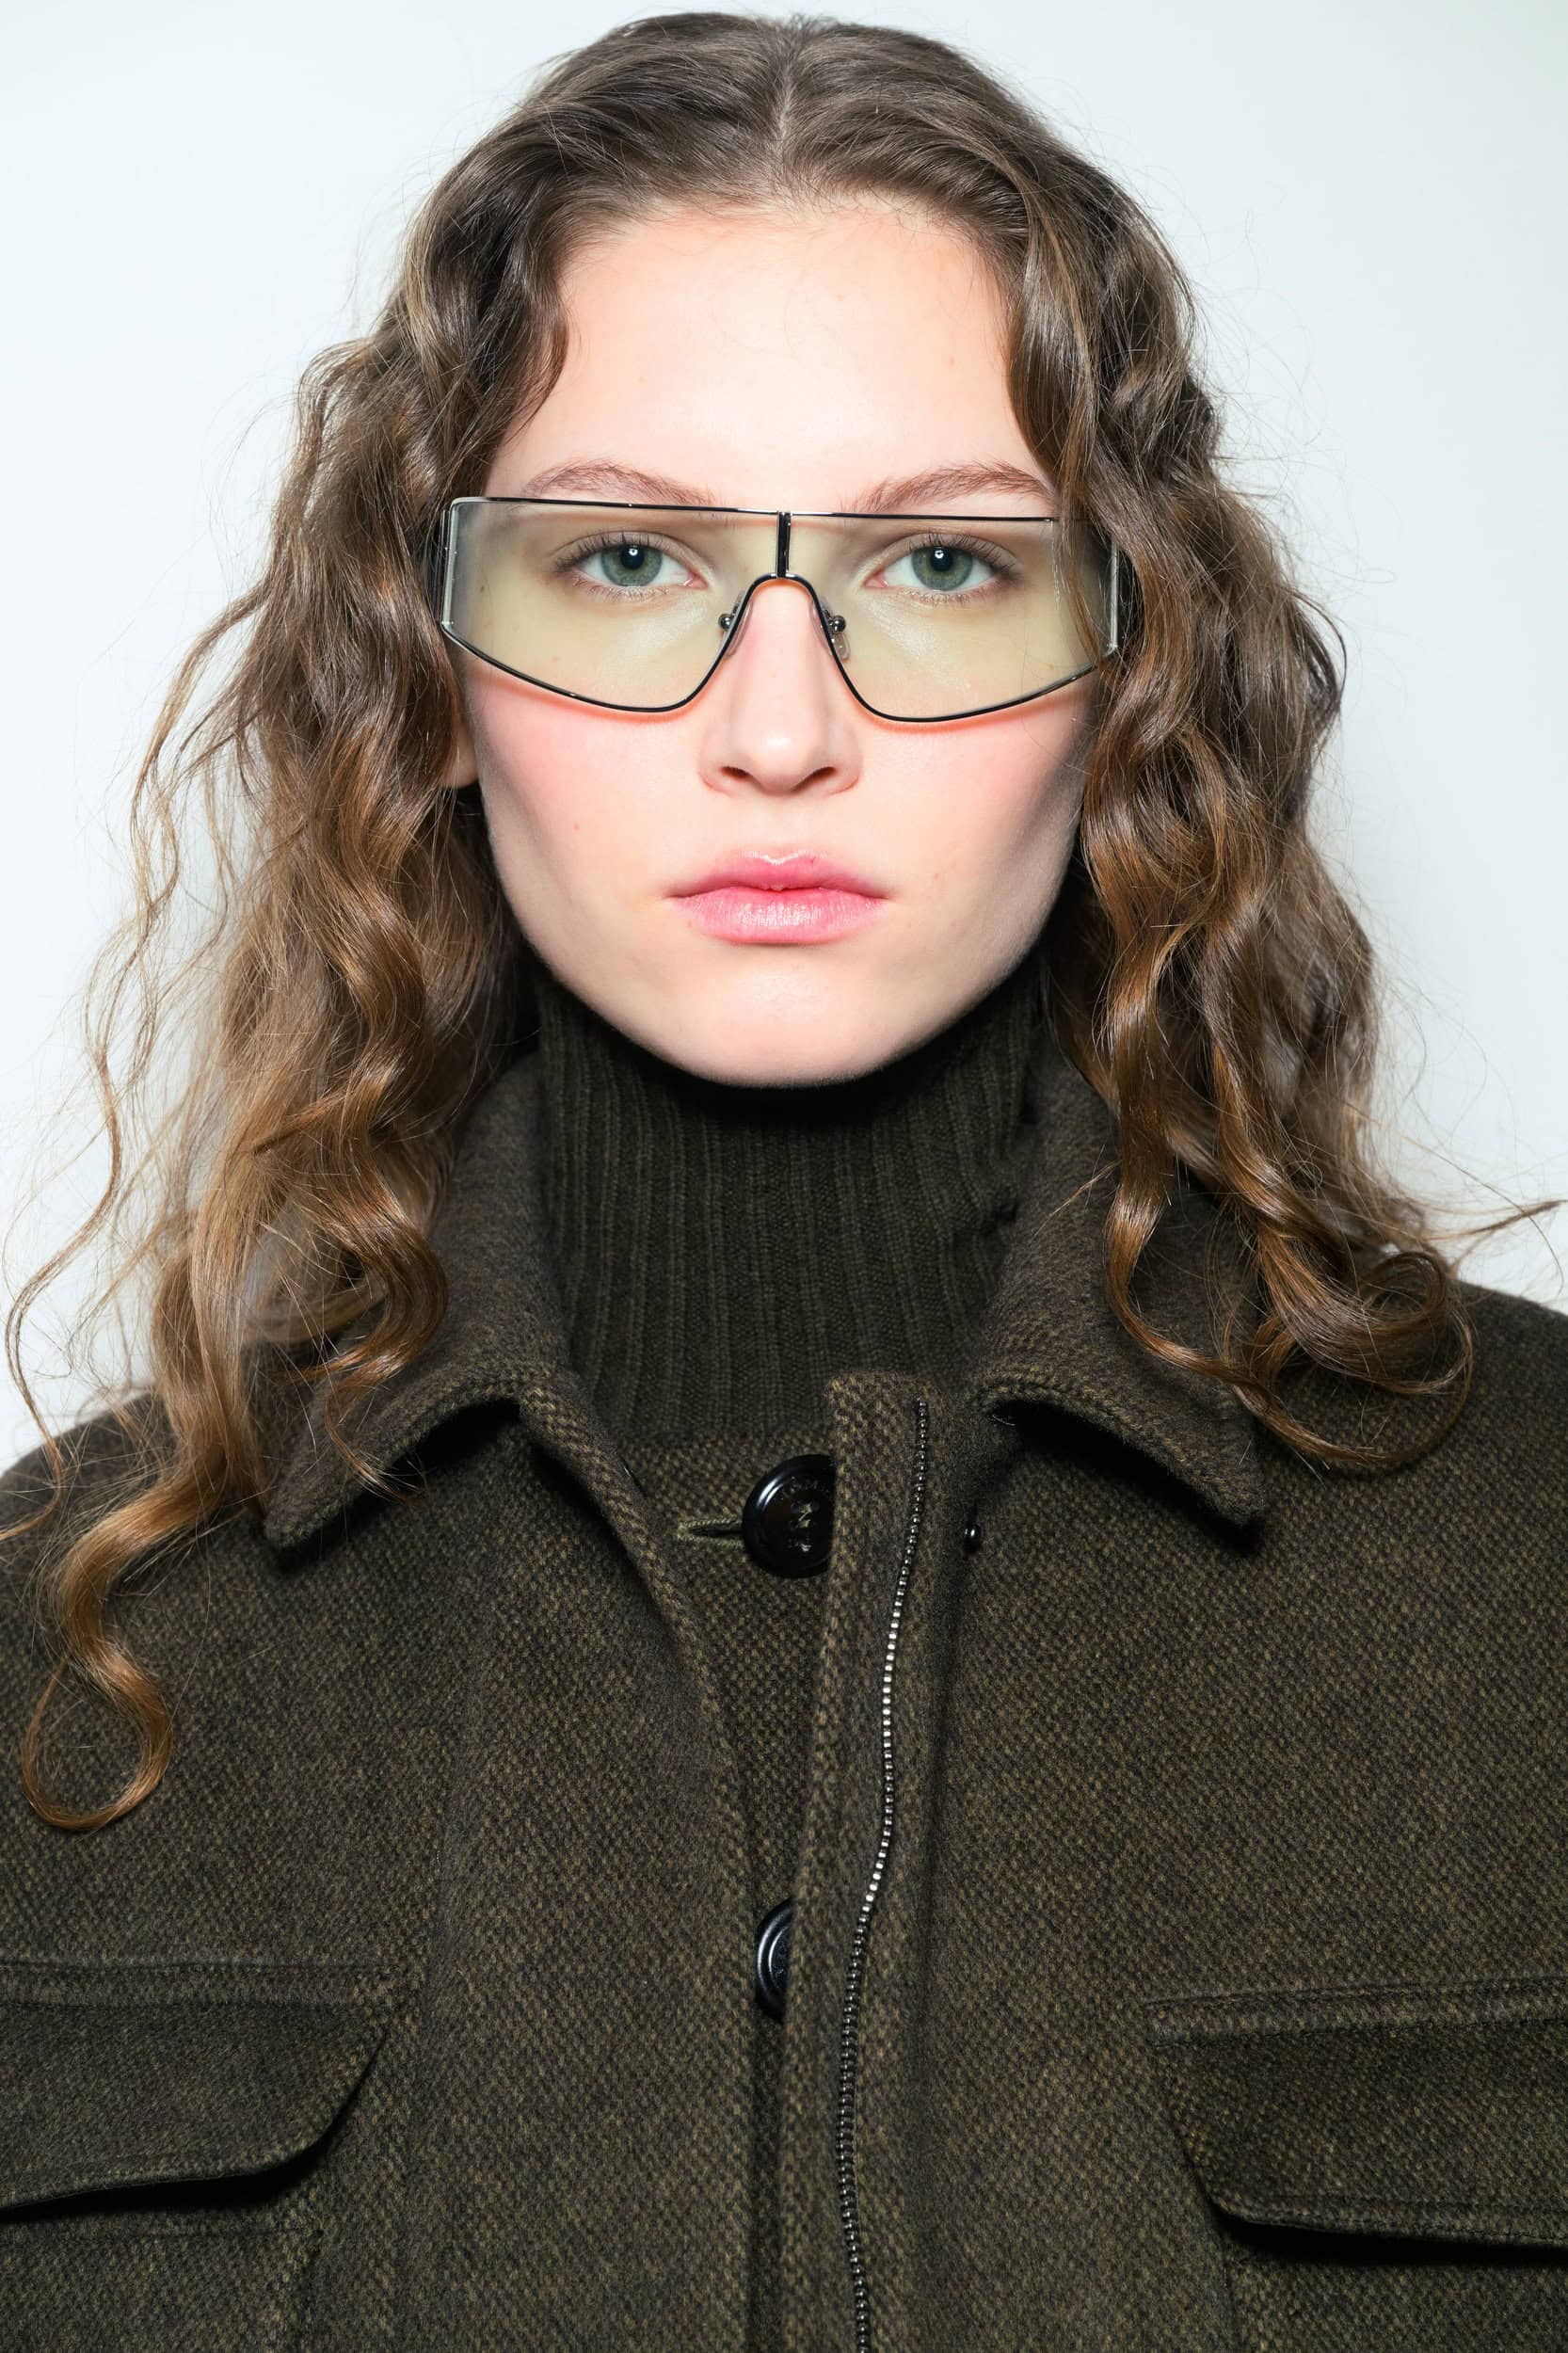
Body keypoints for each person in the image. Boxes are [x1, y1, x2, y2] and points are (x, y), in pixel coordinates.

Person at [1, 12, 1563, 2351]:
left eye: (938, 560)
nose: (776, 725)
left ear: (1125, 664)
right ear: (426, 668)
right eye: (624, 555)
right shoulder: (56, 1639)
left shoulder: (1532, 1552)